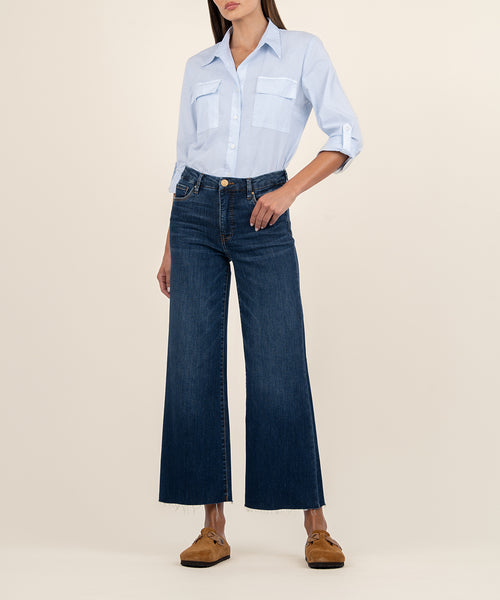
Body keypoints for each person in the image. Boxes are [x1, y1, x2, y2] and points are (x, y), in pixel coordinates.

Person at [157, 0, 362, 569]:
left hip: (263, 212)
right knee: (193, 367)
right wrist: (170, 243)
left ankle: (316, 525)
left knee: (280, 364)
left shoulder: (301, 50)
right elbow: (184, 159)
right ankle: (212, 526)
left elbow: (345, 134)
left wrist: (288, 191)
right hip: (193, 215)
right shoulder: (199, 65)